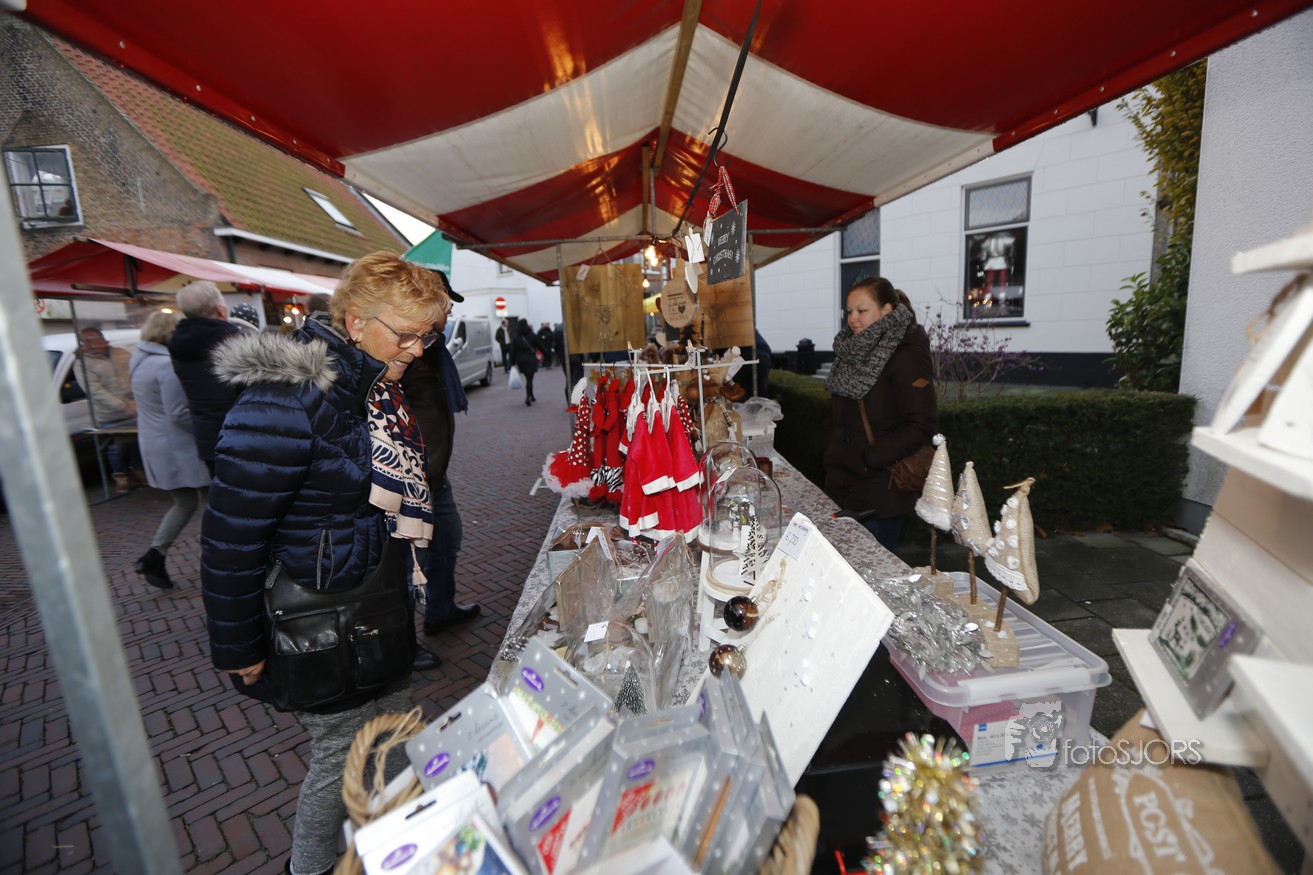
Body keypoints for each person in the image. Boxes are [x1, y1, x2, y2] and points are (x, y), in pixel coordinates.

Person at [200, 252, 448, 875]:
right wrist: (238, 645)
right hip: (319, 614)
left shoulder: (372, 389)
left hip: (374, 602)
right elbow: (231, 537)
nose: (418, 349)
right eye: (407, 334)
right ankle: (307, 868)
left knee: (396, 737)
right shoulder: (285, 399)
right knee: (342, 755)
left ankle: (401, 854)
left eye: (428, 335)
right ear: (354, 321)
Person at [822, 277, 937, 553]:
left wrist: (871, 459)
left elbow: (922, 424)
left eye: (862, 311)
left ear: (886, 310)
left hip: (879, 493)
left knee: (873, 573)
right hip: (841, 485)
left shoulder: (907, 354)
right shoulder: (851, 350)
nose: (853, 318)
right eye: (849, 311)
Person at [400, 271, 482, 659]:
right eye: (445, 303)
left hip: (434, 474)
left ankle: (440, 611)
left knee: (448, 541)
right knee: (407, 566)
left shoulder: (433, 349)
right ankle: (401, 646)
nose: (449, 311)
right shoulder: (404, 349)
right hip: (409, 479)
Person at [129, 310, 211, 590]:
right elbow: (178, 413)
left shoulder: (139, 360)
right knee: (212, 502)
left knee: (185, 502)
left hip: (156, 442)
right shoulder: (165, 366)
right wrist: (208, 429)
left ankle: (156, 554)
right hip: (178, 447)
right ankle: (217, 559)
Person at [169, 281, 240, 476]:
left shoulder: (177, 345)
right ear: (220, 310)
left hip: (208, 440)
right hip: (244, 435)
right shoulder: (234, 342)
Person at [76, 326, 142, 493]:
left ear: (103, 340)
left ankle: (137, 470)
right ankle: (121, 477)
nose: (89, 344)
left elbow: (136, 374)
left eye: (93, 340)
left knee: (137, 441)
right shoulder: (82, 363)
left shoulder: (121, 354)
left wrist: (137, 396)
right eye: (85, 341)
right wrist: (121, 406)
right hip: (108, 413)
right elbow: (95, 391)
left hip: (133, 407)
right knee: (115, 447)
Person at [512, 317, 540, 406]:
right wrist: (547, 354)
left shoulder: (516, 337)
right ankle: (528, 396)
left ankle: (531, 395)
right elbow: (539, 345)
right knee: (530, 379)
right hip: (531, 359)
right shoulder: (532, 335)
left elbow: (513, 351)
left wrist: (512, 363)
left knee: (527, 378)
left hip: (521, 360)